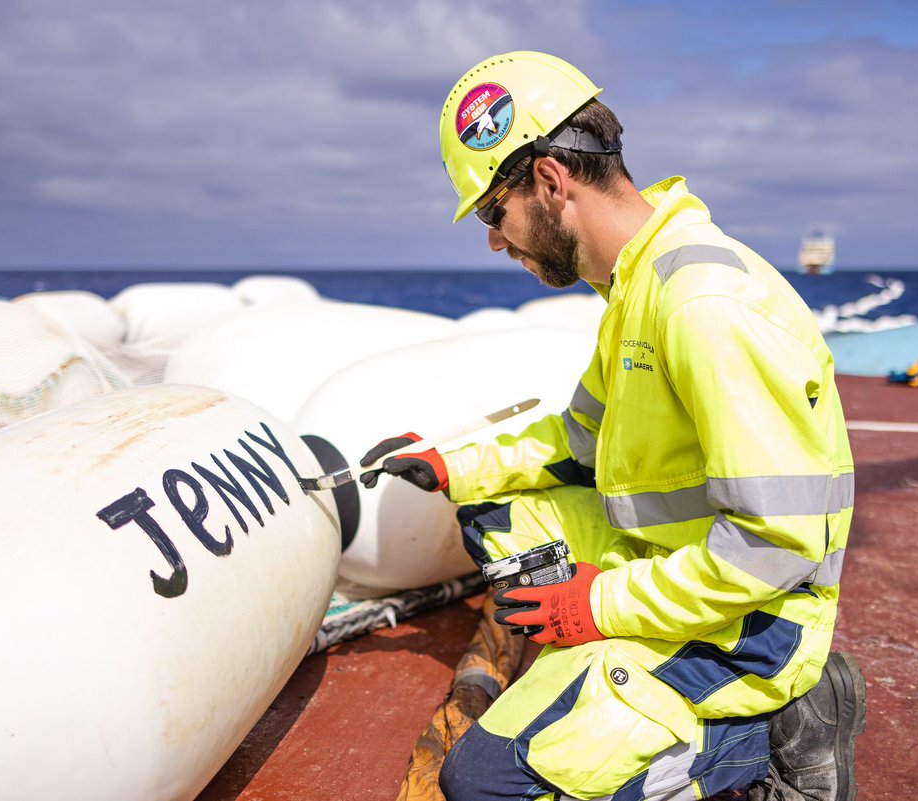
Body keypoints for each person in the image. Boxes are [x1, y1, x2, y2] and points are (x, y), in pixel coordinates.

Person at [360, 51, 865, 801]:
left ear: (550, 182)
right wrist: (452, 464)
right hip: (668, 563)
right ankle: (617, 681)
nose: (495, 241)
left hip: (757, 617)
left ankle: (773, 727)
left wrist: (594, 604)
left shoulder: (701, 307)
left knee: (487, 785)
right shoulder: (633, 288)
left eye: (495, 214)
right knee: (489, 513)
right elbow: (576, 445)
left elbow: (772, 547)